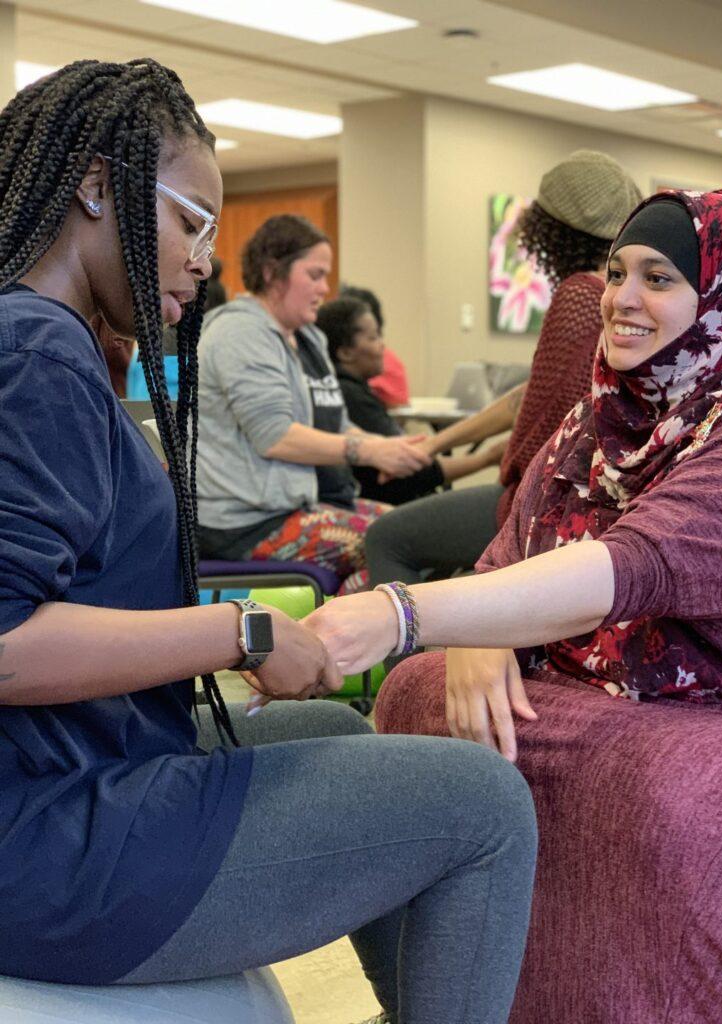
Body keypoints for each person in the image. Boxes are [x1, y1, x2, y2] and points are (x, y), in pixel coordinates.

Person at [0, 58, 538, 1024]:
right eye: (190, 220)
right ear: (92, 184)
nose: (205, 257)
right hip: (42, 844)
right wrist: (240, 632)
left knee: (334, 727)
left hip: (63, 771)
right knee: (482, 806)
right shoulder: (33, 349)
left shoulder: (52, 341)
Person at [305, 187, 722, 763]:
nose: (622, 298)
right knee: (414, 687)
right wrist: (483, 630)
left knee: (668, 780)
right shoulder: (599, 415)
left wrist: (402, 613)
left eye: (658, 279)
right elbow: (507, 547)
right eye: (617, 273)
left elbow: (635, 564)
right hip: (570, 662)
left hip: (686, 695)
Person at [363, 150, 642, 587]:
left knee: (386, 539)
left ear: (547, 227)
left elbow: (549, 419)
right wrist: (435, 444)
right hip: (584, 504)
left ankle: (406, 656)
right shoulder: (615, 295)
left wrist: (450, 450)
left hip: (537, 506)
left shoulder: (579, 295)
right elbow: (530, 397)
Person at [195, 215, 431, 592]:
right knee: (398, 544)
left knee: (416, 528)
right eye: (315, 275)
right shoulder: (240, 333)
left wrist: (388, 447)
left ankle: (344, 626)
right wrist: (368, 451)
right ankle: (341, 636)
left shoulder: (307, 338)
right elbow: (275, 437)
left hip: (292, 509)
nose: (325, 288)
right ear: (273, 272)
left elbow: (333, 423)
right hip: (244, 524)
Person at [317, 296, 497, 505]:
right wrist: (488, 458)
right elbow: (414, 472)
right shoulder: (352, 397)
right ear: (346, 352)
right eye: (374, 337)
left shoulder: (351, 390)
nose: (383, 345)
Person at [340, 284, 410, 407]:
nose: (381, 345)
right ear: (345, 352)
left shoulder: (387, 362)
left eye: (374, 336)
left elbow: (398, 404)